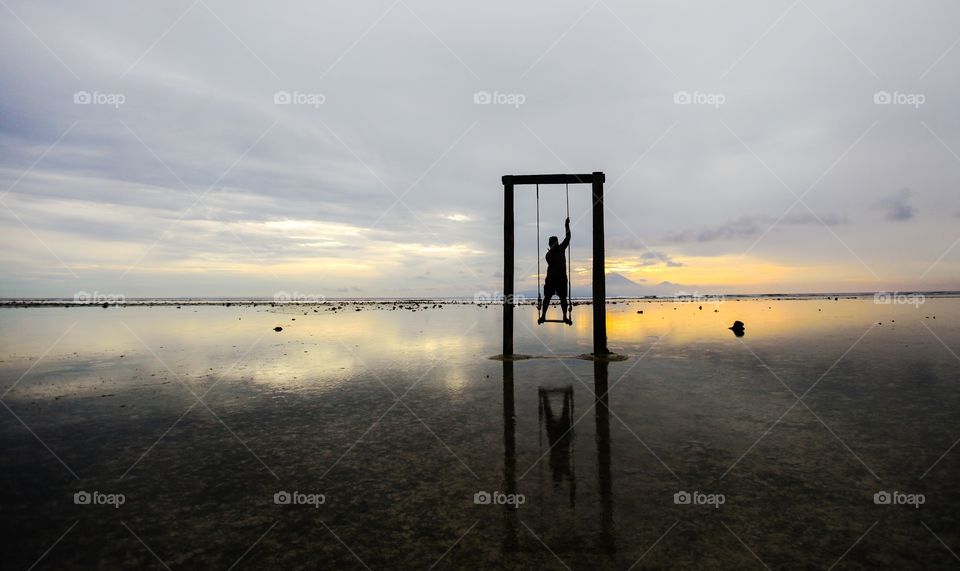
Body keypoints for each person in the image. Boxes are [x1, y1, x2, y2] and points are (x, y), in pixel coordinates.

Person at [539, 217, 571, 324]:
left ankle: (563, 316)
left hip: (558, 279)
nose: (553, 245)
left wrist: (566, 226)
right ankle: (544, 315)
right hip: (554, 279)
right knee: (548, 298)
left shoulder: (558, 250)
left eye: (554, 243)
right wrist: (566, 225)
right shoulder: (550, 254)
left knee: (561, 298)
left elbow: (568, 238)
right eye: (552, 243)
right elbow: (567, 238)